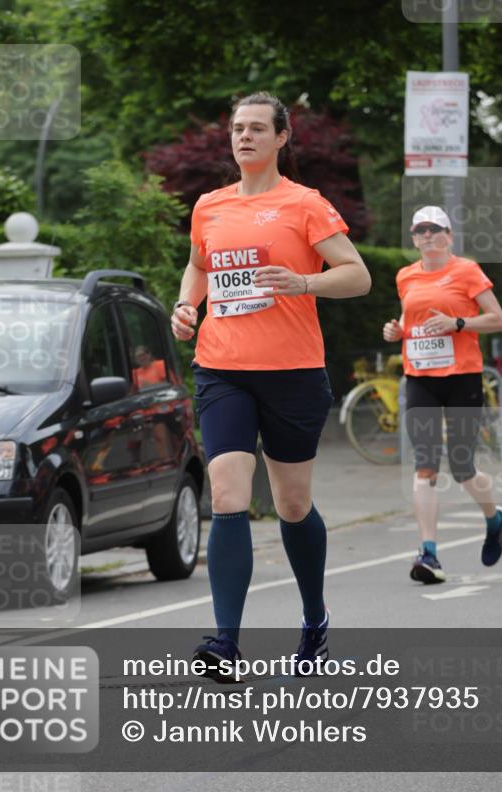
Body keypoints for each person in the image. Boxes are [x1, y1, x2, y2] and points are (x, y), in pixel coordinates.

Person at [171, 91, 371, 674]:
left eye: (258, 128)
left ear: (282, 138)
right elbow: (199, 267)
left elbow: (357, 276)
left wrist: (304, 284)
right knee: (229, 494)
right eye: (237, 128)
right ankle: (226, 644)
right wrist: (187, 307)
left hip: (292, 373)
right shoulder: (209, 206)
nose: (245, 137)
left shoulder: (305, 204)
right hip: (222, 368)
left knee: (291, 503)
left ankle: (314, 618)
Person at [383, 206, 502, 584]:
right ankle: (429, 553)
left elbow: (498, 319)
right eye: (420, 230)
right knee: (426, 464)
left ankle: (494, 517)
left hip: (461, 377)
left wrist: (459, 323)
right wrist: (397, 330)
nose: (427, 236)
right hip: (420, 377)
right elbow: (411, 318)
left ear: (449, 236)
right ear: (413, 238)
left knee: (462, 466)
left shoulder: (466, 271)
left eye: (435, 230)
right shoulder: (405, 276)